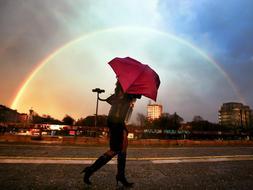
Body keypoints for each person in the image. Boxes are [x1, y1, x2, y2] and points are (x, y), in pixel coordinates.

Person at [81, 81, 141, 187]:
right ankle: (91, 170)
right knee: (115, 149)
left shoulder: (121, 92)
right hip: (116, 122)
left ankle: (120, 176)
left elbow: (133, 97)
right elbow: (137, 95)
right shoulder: (126, 92)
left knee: (123, 147)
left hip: (118, 122)